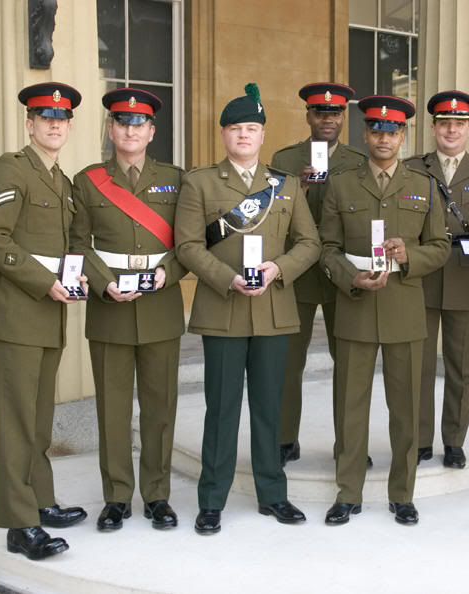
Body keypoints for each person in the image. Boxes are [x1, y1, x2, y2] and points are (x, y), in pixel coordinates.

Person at [174, 84, 321, 534]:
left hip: (274, 310)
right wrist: (225, 278)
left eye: (251, 128)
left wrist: (278, 268)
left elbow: (310, 243)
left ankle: (273, 496)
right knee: (221, 408)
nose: (244, 135)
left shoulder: (286, 184)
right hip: (223, 307)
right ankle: (212, 500)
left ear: (262, 135)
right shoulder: (199, 182)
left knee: (269, 408)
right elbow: (186, 245)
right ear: (224, 134)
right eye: (236, 128)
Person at [0, 82, 87, 560]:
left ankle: (40, 500)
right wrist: (45, 281)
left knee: (37, 420)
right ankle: (19, 525)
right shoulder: (11, 169)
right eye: (44, 116)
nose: (54, 124)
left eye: (61, 118)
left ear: (69, 127)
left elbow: (70, 243)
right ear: (29, 124)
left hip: (50, 312)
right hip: (16, 312)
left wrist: (74, 278)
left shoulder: (62, 180)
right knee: (16, 423)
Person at [319, 95, 450, 525]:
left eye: (392, 132)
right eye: (376, 130)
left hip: (404, 308)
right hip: (355, 307)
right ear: (365, 134)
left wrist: (408, 254)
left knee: (406, 408)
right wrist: (348, 277)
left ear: (403, 136)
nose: (383, 138)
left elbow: (440, 247)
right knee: (349, 407)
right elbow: (327, 248)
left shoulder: (424, 185)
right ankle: (348, 491)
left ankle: (402, 492)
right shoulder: (341, 184)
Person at [70, 88, 186, 532]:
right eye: (122, 123)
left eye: (139, 124)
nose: (130, 130)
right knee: (113, 410)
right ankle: (117, 496)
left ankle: (157, 495)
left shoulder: (176, 179)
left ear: (152, 131)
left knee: (160, 409)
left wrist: (166, 275)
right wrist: (102, 284)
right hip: (109, 309)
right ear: (111, 128)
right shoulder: (88, 180)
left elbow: (188, 241)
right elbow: (77, 243)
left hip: (160, 308)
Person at [404, 90, 469, 469]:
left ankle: (455, 440)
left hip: (466, 273)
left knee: (462, 367)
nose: (451, 130)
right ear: (433, 128)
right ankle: (419, 439)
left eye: (459, 124)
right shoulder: (413, 168)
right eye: (444, 123)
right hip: (421, 276)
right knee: (419, 365)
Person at [271, 82, 367, 467]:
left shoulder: (359, 160)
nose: (328, 119)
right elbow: (272, 216)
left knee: (349, 363)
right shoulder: (285, 157)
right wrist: (299, 188)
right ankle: (283, 439)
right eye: (320, 113)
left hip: (344, 274)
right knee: (288, 362)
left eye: (335, 113)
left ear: (343, 117)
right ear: (308, 116)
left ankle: (348, 443)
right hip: (298, 273)